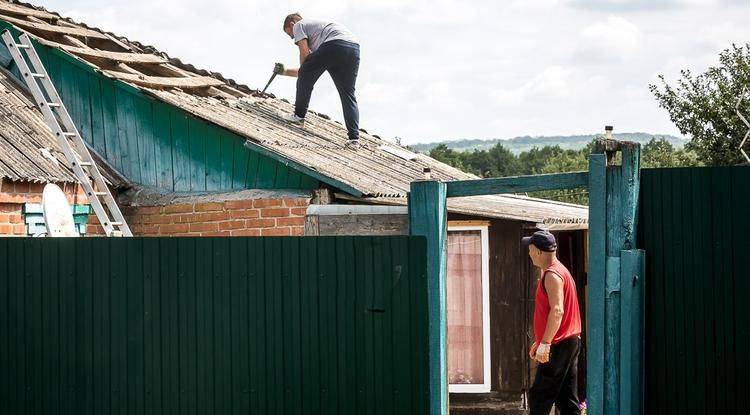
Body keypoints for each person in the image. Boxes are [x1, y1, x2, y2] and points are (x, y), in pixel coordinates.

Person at [273, 13, 361, 146]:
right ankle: (354, 138)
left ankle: (298, 116)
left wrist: (304, 72)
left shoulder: (298, 25)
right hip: (353, 49)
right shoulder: (319, 36)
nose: (292, 38)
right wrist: (285, 71)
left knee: (306, 74)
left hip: (335, 45)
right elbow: (307, 69)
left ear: (291, 24)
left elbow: (304, 59)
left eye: (289, 34)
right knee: (348, 94)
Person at [522, 230, 582, 415]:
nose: (529, 253)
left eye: (530, 249)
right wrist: (541, 340)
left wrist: (546, 343)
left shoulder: (552, 275)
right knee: (567, 399)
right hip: (569, 341)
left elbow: (557, 311)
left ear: (539, 251)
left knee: (540, 395)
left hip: (559, 344)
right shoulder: (561, 270)